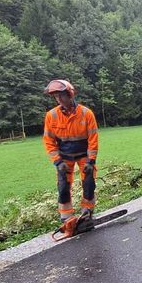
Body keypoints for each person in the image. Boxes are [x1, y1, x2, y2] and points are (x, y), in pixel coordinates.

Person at [43, 79, 99, 222]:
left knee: (88, 184)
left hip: (83, 155)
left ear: (70, 94)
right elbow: (49, 141)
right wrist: (57, 162)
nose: (59, 99)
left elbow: (93, 139)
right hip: (64, 157)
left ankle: (87, 212)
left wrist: (90, 161)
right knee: (63, 187)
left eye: (61, 95)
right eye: (56, 97)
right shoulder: (52, 115)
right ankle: (66, 218)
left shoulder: (86, 114)